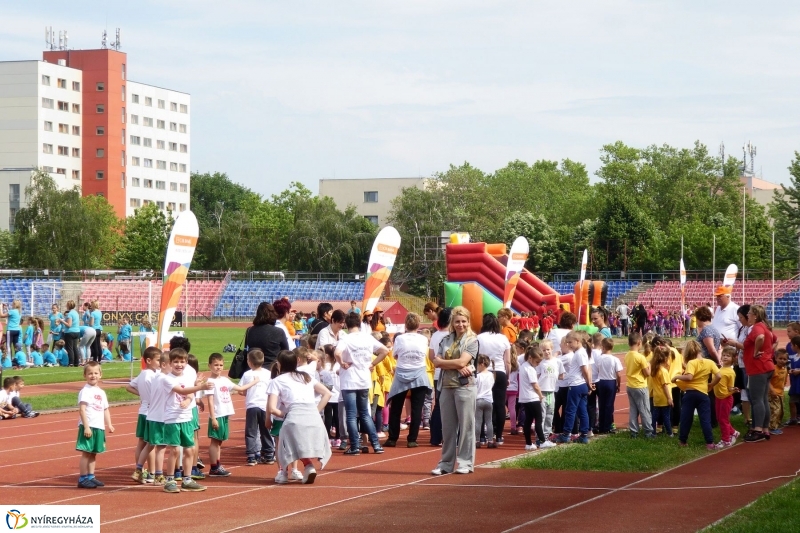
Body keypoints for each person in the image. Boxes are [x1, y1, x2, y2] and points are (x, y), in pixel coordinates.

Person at [267, 350, 332, 484]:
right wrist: (316, 411)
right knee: (299, 443)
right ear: (297, 361)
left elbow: (272, 408)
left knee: (283, 444)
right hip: (314, 416)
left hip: (294, 415)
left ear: (279, 364)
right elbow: (327, 393)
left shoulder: (277, 380)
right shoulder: (306, 377)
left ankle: (283, 473)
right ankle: (308, 466)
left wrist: (285, 414)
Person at [154, 348, 213, 493]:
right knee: (174, 450)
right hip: (173, 418)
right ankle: (169, 480)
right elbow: (181, 391)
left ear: (186, 363)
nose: (179, 365)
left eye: (182, 362)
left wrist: (188, 400)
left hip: (186, 417)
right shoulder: (167, 379)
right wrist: (200, 386)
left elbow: (190, 393)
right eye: (176, 362)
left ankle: (187, 479)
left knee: (190, 449)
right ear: (170, 363)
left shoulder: (186, 378)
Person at [431, 306, 478, 475]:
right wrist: (458, 365)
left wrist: (454, 364)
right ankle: (446, 463)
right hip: (445, 386)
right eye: (457, 321)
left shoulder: (472, 340)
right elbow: (436, 361)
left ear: (468, 322)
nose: (460, 324)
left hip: (465, 387)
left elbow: (461, 361)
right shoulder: (446, 340)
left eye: (463, 321)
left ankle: (465, 463)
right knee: (448, 428)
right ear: (452, 322)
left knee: (466, 427)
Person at [335, 313, 390, 455]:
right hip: (364, 378)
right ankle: (376, 445)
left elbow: (337, 352)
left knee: (351, 415)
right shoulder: (367, 337)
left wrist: (342, 363)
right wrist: (372, 364)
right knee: (365, 413)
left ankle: (354, 446)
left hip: (349, 380)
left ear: (347, 324)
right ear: (359, 324)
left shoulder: (345, 338)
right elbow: (385, 350)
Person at [207, 352, 260, 476]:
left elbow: (240, 389)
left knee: (219, 441)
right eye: (215, 365)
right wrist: (213, 417)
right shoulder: (210, 382)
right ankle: (214, 467)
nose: (218, 367)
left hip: (225, 414)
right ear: (209, 366)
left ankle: (217, 465)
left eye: (220, 365)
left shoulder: (225, 380)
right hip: (217, 414)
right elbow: (209, 400)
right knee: (215, 441)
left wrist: (254, 382)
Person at [385, 313, 431, 448]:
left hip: (401, 374)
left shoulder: (400, 338)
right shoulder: (423, 339)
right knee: (417, 408)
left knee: (396, 408)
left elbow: (394, 355)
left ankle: (393, 438)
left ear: (406, 324)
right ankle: (412, 439)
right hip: (419, 374)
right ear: (418, 324)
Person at [672, 340, 720, 450]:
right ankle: (710, 442)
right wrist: (712, 384)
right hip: (703, 394)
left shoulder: (691, 363)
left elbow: (689, 377)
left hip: (690, 394)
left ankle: (683, 441)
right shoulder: (710, 362)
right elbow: (719, 376)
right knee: (705, 419)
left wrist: (677, 377)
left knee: (686, 418)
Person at [76, 361, 114, 489]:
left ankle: (91, 476)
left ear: (100, 375)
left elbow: (105, 409)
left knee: (93, 453)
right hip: (89, 425)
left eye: (96, 373)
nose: (93, 376)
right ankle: (82, 478)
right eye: (90, 373)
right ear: (85, 375)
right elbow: (82, 409)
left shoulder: (101, 392)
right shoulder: (85, 391)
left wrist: (109, 424)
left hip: (99, 427)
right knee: (86, 452)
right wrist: (86, 426)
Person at [742, 304, 776, 443]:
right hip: (767, 366)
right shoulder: (765, 326)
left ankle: (758, 429)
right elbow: (774, 339)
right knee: (763, 399)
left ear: (755, 315)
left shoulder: (757, 328)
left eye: (749, 313)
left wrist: (756, 352)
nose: (748, 316)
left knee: (757, 400)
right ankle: (765, 429)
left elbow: (760, 337)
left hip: (758, 368)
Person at [128, 347, 162, 484]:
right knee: (151, 443)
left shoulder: (143, 374)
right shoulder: (152, 376)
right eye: (158, 360)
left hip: (143, 411)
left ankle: (142, 472)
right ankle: (150, 472)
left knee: (142, 443)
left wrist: (142, 396)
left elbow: (129, 387)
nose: (160, 363)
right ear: (149, 360)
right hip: (151, 413)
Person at [477, 313, 511, 444]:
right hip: (499, 371)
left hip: (483, 371)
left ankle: (481, 435)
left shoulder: (478, 338)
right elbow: (507, 361)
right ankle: (499, 435)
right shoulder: (503, 338)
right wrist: (507, 376)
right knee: (499, 404)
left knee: (481, 402)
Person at [556, 331, 593, 444]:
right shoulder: (581, 352)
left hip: (576, 385)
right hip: (580, 384)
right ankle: (584, 435)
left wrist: (589, 383)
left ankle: (566, 434)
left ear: (577, 341)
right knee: (582, 410)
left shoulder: (579, 353)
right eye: (567, 343)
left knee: (570, 410)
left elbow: (585, 370)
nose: (568, 345)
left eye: (570, 342)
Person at [240, 349, 274, 466]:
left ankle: (251, 456)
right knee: (266, 430)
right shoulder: (268, 373)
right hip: (265, 406)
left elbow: (242, 390)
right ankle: (269, 454)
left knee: (251, 431)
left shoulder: (247, 374)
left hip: (252, 406)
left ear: (249, 362)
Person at [519, 345, 556, 450]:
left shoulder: (523, 366)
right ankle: (543, 441)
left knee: (528, 420)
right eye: (537, 362)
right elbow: (535, 384)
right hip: (532, 397)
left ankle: (529, 443)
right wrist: (540, 395)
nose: (538, 364)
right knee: (538, 419)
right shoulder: (530, 369)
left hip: (525, 397)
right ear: (530, 358)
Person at [722, 305, 752, 424]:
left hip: (748, 364)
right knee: (743, 390)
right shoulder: (743, 329)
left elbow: (747, 347)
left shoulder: (751, 330)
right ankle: (746, 418)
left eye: (741, 317)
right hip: (741, 363)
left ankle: (756, 421)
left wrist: (734, 343)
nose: (739, 319)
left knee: (750, 392)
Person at [428, 307, 451, 447]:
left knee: (438, 406)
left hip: (438, 374)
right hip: (449, 373)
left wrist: (438, 363)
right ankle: (448, 437)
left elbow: (431, 356)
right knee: (450, 406)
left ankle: (435, 437)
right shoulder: (451, 335)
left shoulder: (436, 335)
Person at [245, 302, 290, 371]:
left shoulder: (250, 330)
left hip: (254, 369)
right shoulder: (278, 331)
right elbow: (285, 352)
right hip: (273, 369)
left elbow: (247, 349)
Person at [625, 332, 653, 439]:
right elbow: (647, 373)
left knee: (633, 409)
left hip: (630, 385)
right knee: (644, 409)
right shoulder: (640, 357)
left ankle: (633, 431)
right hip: (640, 385)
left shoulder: (627, 355)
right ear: (639, 342)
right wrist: (649, 365)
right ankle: (648, 432)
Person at [714, 346, 740, 448]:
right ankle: (733, 432)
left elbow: (730, 388)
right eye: (724, 355)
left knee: (723, 420)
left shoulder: (731, 372)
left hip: (726, 398)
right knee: (719, 418)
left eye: (728, 356)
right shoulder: (721, 368)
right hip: (718, 397)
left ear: (733, 358)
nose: (725, 357)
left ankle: (726, 440)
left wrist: (734, 390)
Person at [537, 339, 564, 440]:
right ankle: (539, 436)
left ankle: (546, 435)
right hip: (542, 392)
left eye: (548, 349)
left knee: (550, 414)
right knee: (542, 414)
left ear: (552, 349)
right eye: (543, 350)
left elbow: (562, 375)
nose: (546, 352)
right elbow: (537, 376)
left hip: (552, 391)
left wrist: (554, 377)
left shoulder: (557, 361)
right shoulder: (540, 363)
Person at [596, 337, 622, 434]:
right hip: (611, 382)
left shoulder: (599, 358)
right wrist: (619, 384)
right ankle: (607, 426)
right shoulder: (615, 359)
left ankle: (601, 425)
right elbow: (619, 374)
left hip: (601, 382)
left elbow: (598, 369)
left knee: (602, 404)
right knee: (609, 405)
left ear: (603, 347)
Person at [649, 345, 674, 437]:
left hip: (656, 397)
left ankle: (653, 432)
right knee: (666, 416)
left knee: (654, 416)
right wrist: (669, 398)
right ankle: (670, 433)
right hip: (664, 397)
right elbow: (665, 386)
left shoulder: (654, 369)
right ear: (665, 358)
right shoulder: (663, 371)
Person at [473, 354, 496, 448]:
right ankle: (490, 441)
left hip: (478, 400)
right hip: (488, 400)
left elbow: (475, 387)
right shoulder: (491, 375)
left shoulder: (477, 376)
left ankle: (476, 441)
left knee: (478, 422)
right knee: (489, 421)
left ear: (481, 364)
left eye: (477, 365)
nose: (476, 367)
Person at [768, 349, 789, 435]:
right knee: (775, 410)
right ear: (776, 358)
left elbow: (784, 381)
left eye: (784, 359)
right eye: (780, 358)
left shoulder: (785, 369)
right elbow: (768, 381)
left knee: (781, 411)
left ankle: (777, 423)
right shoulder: (773, 369)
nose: (782, 361)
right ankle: (772, 427)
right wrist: (772, 391)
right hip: (773, 393)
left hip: (781, 393)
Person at [789, 336, 800, 426]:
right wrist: (791, 371)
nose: (791, 347)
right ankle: (793, 418)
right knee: (792, 401)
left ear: (796, 346)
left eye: (792, 345)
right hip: (795, 383)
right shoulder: (795, 356)